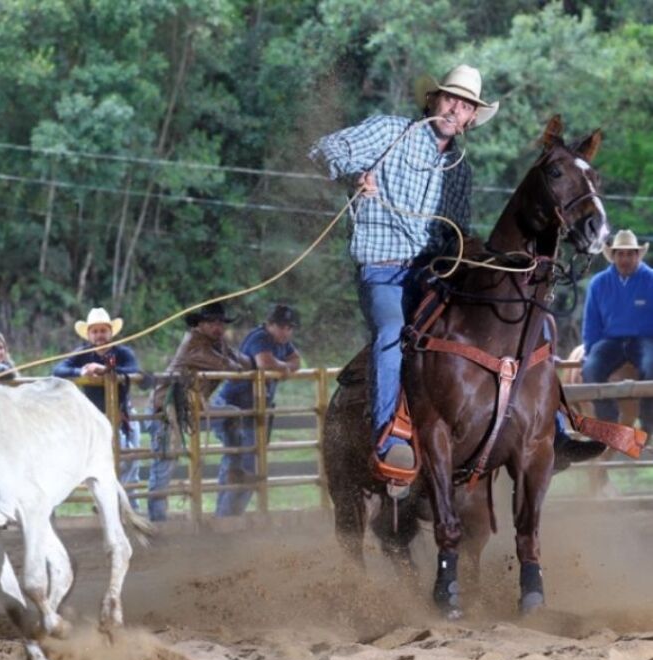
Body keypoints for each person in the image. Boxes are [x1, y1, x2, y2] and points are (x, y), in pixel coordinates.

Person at [309, 63, 600, 474]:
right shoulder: (390, 132)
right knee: (392, 331)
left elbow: (455, 233)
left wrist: (478, 254)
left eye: (465, 106)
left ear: (469, 120)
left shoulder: (460, 170)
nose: (455, 110)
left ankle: (551, 430)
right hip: (384, 271)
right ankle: (387, 438)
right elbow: (324, 150)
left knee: (522, 323)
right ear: (432, 100)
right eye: (450, 99)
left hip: (437, 271)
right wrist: (355, 174)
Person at [147, 302, 251, 521]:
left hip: (193, 406)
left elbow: (242, 362)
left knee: (233, 414)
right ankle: (158, 522)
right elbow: (229, 366)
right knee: (165, 463)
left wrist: (249, 362)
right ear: (201, 324)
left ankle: (235, 465)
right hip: (167, 407)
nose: (218, 326)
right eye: (212, 322)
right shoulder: (194, 343)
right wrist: (241, 364)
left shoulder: (217, 343)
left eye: (221, 322)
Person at [212, 304, 302, 517]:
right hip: (237, 408)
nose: (286, 331)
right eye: (282, 326)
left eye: (289, 327)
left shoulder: (277, 342)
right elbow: (264, 362)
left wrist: (282, 366)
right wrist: (285, 367)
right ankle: (225, 518)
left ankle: (226, 517)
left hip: (251, 408)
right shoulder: (260, 338)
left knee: (243, 465)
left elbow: (295, 360)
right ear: (270, 325)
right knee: (242, 465)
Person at [53, 307, 141, 508]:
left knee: (131, 458)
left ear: (111, 333)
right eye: (95, 331)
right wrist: (81, 370)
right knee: (98, 462)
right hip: (94, 417)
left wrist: (107, 370)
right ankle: (106, 502)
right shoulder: (82, 354)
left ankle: (128, 506)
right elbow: (58, 370)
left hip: (122, 413)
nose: (100, 335)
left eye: (103, 330)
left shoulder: (122, 352)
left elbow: (134, 370)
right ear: (89, 334)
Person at [581, 229, 653, 436]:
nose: (625, 258)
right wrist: (589, 350)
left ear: (638, 255)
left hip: (645, 340)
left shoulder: (651, 280)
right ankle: (609, 421)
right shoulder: (599, 283)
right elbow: (591, 322)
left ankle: (648, 423)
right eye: (620, 254)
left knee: (652, 366)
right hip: (610, 341)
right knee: (591, 368)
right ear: (613, 256)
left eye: (630, 253)